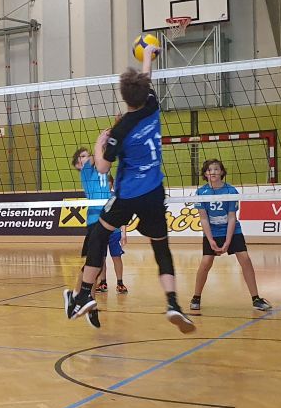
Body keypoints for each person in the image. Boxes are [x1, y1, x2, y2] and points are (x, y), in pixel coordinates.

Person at [65, 45, 194, 333]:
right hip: (154, 192)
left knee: (99, 234)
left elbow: (102, 168)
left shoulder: (120, 131)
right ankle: (173, 302)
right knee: (161, 247)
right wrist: (147, 56)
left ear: (123, 97)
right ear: (144, 92)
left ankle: (84, 293)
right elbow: (147, 80)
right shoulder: (152, 107)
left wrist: (100, 144)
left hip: (127, 195)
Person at [190, 159, 272, 313]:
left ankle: (256, 299)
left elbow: (232, 217)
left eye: (216, 169)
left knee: (245, 259)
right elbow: (203, 219)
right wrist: (211, 240)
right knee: (206, 262)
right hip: (212, 231)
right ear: (205, 174)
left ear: (222, 172)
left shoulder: (230, 191)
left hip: (232, 230)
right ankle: (196, 297)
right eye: (209, 170)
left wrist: (228, 241)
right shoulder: (201, 192)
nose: (213, 172)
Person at [72, 148, 128, 296]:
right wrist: (104, 141)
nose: (88, 157)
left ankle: (88, 297)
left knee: (96, 263)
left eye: (87, 154)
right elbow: (96, 157)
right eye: (83, 156)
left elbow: (106, 159)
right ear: (78, 165)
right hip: (95, 221)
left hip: (108, 220)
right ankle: (80, 294)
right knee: (94, 262)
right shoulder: (86, 171)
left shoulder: (101, 170)